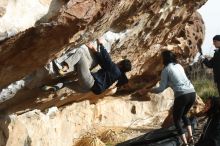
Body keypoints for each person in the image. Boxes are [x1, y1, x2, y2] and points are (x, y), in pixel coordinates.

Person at [138, 50, 196, 146]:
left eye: (161, 58)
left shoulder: (166, 70)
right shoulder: (179, 66)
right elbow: (176, 81)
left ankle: (185, 143)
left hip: (182, 95)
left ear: (164, 59)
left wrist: (147, 90)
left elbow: (161, 89)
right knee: (184, 115)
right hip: (192, 92)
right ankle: (191, 138)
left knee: (176, 119)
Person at [43, 37, 132, 95]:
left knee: (80, 52)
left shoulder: (115, 69)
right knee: (65, 83)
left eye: (120, 62)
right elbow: (124, 79)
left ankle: (65, 68)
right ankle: (53, 88)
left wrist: (99, 44)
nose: (117, 62)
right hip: (86, 89)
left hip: (89, 81)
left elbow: (105, 58)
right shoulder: (120, 75)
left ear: (120, 65)